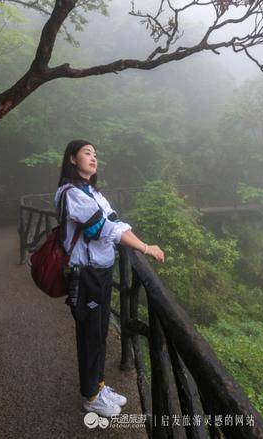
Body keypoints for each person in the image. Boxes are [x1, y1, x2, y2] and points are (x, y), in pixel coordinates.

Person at [53, 140, 165, 418]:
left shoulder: (92, 192)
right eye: (87, 153)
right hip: (86, 275)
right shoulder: (70, 194)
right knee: (90, 335)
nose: (93, 158)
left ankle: (98, 386)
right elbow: (104, 227)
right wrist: (144, 247)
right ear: (72, 159)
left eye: (95, 154)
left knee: (100, 331)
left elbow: (116, 220)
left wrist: (134, 238)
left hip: (101, 273)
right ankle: (90, 396)